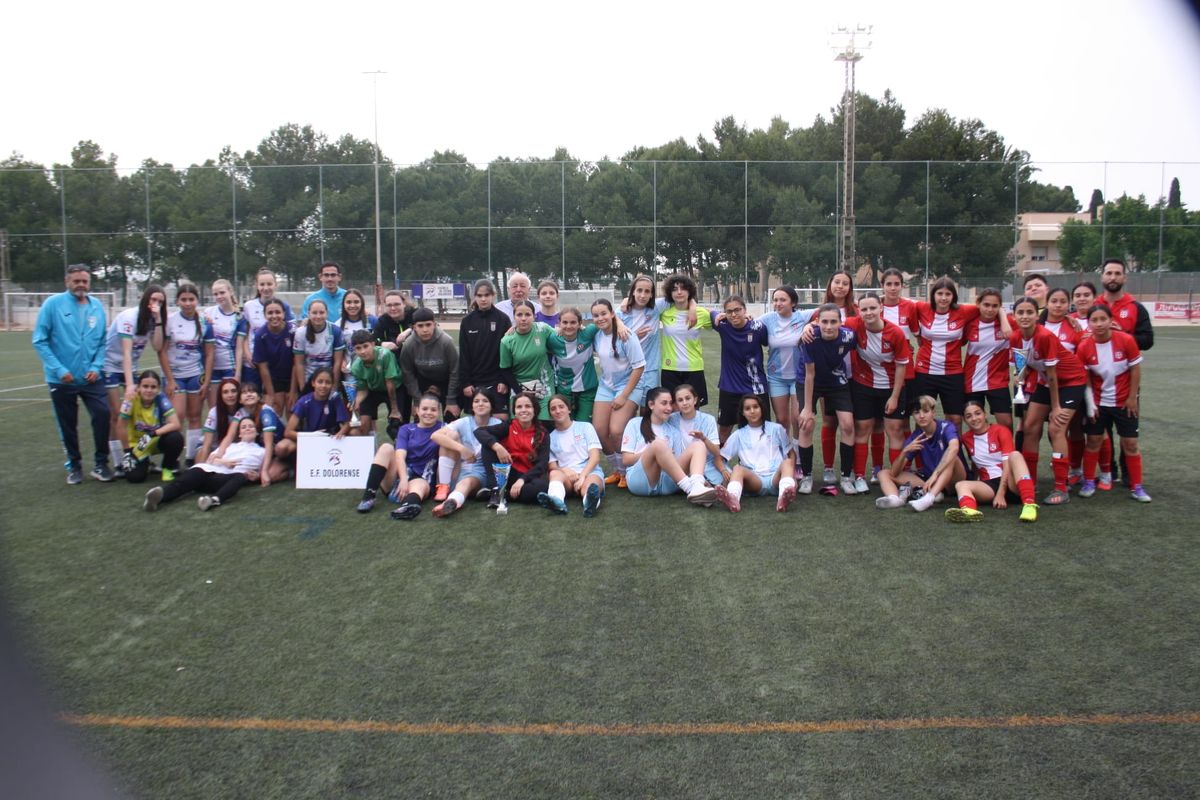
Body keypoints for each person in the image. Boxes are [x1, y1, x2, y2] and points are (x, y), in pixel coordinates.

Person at [32, 264, 113, 484]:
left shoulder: (97, 306)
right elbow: (40, 340)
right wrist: (59, 369)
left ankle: (101, 463)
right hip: (62, 379)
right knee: (68, 424)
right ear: (67, 281)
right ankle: (74, 466)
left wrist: (96, 367)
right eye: (76, 281)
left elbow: (102, 342)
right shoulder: (52, 304)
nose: (81, 285)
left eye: (85, 281)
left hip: (91, 378)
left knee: (103, 414)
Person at [1010, 295, 1090, 505]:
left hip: (1070, 381)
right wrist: (1020, 380)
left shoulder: (1044, 336)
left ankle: (1061, 488)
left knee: (1056, 427)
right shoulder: (1015, 337)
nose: (1025, 316)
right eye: (1020, 312)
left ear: (1037, 315)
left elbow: (1053, 375)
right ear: (1014, 316)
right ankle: (1030, 483)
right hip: (1046, 382)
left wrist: (1055, 407)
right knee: (1030, 427)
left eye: (1029, 312)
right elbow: (1022, 366)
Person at [1076, 304, 1150, 502]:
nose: (1099, 324)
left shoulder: (1126, 340)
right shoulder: (1084, 347)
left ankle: (1137, 487)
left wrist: (1132, 398)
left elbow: (1135, 369)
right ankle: (1089, 482)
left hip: (1124, 402)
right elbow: (1086, 378)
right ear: (1089, 323)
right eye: (1094, 320)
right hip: (1099, 403)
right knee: (1093, 441)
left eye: (1103, 319)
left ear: (1111, 321)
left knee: (1130, 444)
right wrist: (1090, 404)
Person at [843, 293, 911, 493]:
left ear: (881, 307)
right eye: (864, 309)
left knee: (895, 430)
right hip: (863, 386)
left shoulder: (895, 333)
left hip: (891, 388)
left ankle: (896, 476)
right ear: (859, 310)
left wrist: (894, 397)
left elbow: (901, 367)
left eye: (872, 308)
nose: (868, 312)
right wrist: (809, 327)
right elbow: (827, 321)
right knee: (863, 428)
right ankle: (860, 476)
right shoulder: (853, 324)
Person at [101, 284, 167, 472]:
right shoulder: (129, 317)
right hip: (111, 365)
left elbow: (157, 346)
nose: (156, 304)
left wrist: (158, 320)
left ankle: (140, 456)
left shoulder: (153, 320)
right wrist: (130, 385)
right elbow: (126, 352)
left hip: (130, 367)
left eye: (160, 302)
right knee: (117, 414)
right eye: (153, 299)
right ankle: (119, 462)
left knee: (138, 413)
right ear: (145, 299)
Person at [142, 417, 265, 512]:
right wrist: (224, 462)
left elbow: (264, 471)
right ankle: (160, 497)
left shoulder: (262, 451)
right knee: (190, 477)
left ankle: (213, 500)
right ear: (239, 434)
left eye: (251, 426)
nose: (247, 428)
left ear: (257, 432)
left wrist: (257, 476)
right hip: (207, 471)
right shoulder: (230, 446)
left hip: (225, 479)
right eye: (244, 427)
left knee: (240, 476)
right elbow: (211, 460)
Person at [945, 400, 1039, 523]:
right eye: (969, 416)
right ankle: (969, 511)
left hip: (1010, 481)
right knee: (961, 485)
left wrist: (1001, 493)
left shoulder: (1001, 431)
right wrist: (975, 482)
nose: (974, 418)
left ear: (985, 414)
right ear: (964, 420)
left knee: (1015, 455)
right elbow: (976, 464)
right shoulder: (966, 438)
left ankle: (1029, 505)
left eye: (977, 413)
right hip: (989, 485)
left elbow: (1007, 464)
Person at [797, 304, 858, 495]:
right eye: (824, 321)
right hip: (809, 381)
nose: (829, 326)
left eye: (833, 321)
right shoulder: (810, 338)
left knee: (848, 425)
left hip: (836, 380)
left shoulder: (849, 336)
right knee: (806, 425)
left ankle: (846, 477)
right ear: (817, 322)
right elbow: (810, 374)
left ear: (841, 322)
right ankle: (806, 477)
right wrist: (807, 408)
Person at [355, 391, 446, 517]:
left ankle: (408, 506)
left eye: (433, 410)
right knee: (386, 447)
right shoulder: (406, 429)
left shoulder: (444, 428)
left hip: (422, 480)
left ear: (439, 412)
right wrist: (403, 479)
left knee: (420, 484)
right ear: (417, 410)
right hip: (398, 480)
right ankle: (368, 497)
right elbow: (399, 455)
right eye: (425, 409)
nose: (429, 413)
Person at [620, 387, 715, 504]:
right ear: (651, 405)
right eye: (664, 403)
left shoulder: (673, 431)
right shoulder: (635, 423)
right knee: (658, 444)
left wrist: (666, 456)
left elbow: (677, 466)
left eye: (670, 403)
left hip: (666, 483)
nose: (669, 408)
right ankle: (690, 488)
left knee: (699, 444)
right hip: (640, 482)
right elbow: (626, 460)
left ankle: (697, 485)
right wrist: (655, 453)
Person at [909, 276, 980, 428]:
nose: (943, 298)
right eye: (940, 293)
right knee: (922, 417)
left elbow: (989, 307)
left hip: (953, 373)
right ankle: (923, 445)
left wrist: (1003, 319)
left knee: (955, 419)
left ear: (953, 296)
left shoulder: (964, 311)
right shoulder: (923, 308)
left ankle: (954, 445)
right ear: (933, 295)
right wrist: (916, 334)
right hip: (924, 372)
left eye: (948, 294)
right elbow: (901, 303)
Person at [590, 298, 646, 488]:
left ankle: (629, 471)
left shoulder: (626, 335)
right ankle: (619, 471)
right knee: (599, 431)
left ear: (612, 313)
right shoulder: (596, 335)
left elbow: (639, 367)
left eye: (604, 313)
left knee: (616, 431)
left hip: (629, 385)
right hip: (607, 386)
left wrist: (623, 396)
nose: (600, 318)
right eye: (596, 315)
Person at [876, 394, 965, 512]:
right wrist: (904, 452)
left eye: (926, 411)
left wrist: (935, 475)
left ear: (933, 412)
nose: (921, 416)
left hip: (955, 480)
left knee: (952, 457)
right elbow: (894, 473)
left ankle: (929, 498)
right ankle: (894, 499)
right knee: (883, 473)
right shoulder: (916, 436)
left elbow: (954, 448)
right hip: (930, 480)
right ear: (913, 416)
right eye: (917, 412)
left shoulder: (946, 427)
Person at [753, 287, 815, 448]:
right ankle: (785, 451)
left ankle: (798, 454)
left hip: (798, 378)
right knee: (782, 420)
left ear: (793, 303)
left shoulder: (802, 316)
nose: (778, 303)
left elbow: (828, 311)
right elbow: (749, 322)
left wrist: (811, 324)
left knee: (797, 418)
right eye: (775, 300)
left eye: (783, 300)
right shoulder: (768, 318)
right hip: (776, 378)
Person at [714, 394, 797, 513]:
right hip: (754, 480)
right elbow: (718, 458)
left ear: (761, 408)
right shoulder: (738, 435)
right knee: (737, 468)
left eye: (755, 407)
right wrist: (724, 471)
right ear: (743, 413)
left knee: (787, 462)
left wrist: (792, 474)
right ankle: (733, 498)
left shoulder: (776, 429)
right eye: (747, 408)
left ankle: (783, 496)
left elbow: (791, 453)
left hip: (776, 478)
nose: (752, 411)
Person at [429, 390, 503, 517]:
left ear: (491, 405)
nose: (480, 404)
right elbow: (435, 435)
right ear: (472, 406)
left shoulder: (498, 424)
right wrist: (462, 449)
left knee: (466, 483)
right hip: (457, 469)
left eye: (485, 401)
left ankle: (451, 502)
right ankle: (443, 486)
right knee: (450, 435)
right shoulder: (465, 421)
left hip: (479, 472)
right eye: (476, 401)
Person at [475, 391, 553, 509]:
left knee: (541, 488)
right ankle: (495, 489)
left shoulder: (543, 432)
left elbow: (542, 464)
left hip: (527, 476)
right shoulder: (509, 426)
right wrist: (497, 447)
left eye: (528, 406)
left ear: (535, 409)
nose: (523, 410)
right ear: (514, 411)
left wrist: (522, 479)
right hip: (505, 471)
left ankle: (503, 495)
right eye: (519, 407)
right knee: (488, 444)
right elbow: (479, 431)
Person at [1042, 287, 1087, 484]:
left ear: (1069, 304)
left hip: (1071, 384)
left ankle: (1074, 470)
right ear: (1047, 303)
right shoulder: (1037, 323)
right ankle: (1062, 466)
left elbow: (1082, 355)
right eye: (1054, 301)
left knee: (1072, 426)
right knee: (1033, 427)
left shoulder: (1074, 328)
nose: (1058, 305)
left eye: (1063, 301)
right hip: (1042, 385)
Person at [538, 394, 607, 516]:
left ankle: (589, 504)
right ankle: (556, 501)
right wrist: (564, 470)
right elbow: (552, 466)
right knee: (554, 474)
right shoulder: (550, 437)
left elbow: (595, 457)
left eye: (561, 407)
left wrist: (583, 476)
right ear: (550, 414)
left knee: (590, 486)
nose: (558, 411)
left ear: (569, 409)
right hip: (568, 478)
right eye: (553, 409)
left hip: (590, 472)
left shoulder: (585, 427)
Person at [712, 295, 769, 444]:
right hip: (729, 388)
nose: (733, 314)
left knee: (759, 430)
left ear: (745, 310)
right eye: (729, 311)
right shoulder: (722, 325)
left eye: (737, 310)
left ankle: (757, 459)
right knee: (724, 430)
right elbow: (708, 312)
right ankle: (720, 458)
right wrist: (718, 314)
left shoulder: (757, 328)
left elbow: (768, 342)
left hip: (755, 388)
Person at [879, 268, 919, 478]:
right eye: (889, 284)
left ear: (902, 286)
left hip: (906, 372)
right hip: (881, 373)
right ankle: (880, 467)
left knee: (906, 421)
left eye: (897, 284)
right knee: (881, 422)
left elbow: (918, 336)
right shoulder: (875, 307)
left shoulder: (910, 307)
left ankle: (912, 465)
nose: (893, 288)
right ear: (882, 286)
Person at [499, 300, 565, 421]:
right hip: (519, 387)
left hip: (544, 385)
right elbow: (505, 369)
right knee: (521, 424)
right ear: (514, 317)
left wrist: (579, 328)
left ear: (534, 316)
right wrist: (520, 392)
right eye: (519, 315)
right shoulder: (507, 341)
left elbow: (561, 334)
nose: (523, 318)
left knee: (544, 424)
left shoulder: (542, 329)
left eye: (528, 314)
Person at [163, 282, 207, 461]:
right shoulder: (170, 321)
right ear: (177, 301)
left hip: (195, 374)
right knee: (177, 418)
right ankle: (172, 459)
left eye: (191, 299)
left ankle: (191, 458)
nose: (188, 303)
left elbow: (209, 352)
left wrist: (207, 379)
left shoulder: (203, 321)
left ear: (197, 300)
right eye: (184, 299)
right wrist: (170, 379)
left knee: (195, 416)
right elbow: (162, 352)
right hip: (176, 376)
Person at [274, 369, 351, 471]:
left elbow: (347, 424)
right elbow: (288, 432)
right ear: (313, 383)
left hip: (330, 439)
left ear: (332, 385)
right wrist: (311, 436)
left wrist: (340, 433)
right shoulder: (304, 401)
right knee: (281, 448)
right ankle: (293, 466)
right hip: (308, 440)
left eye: (328, 382)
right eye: (320, 382)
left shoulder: (335, 398)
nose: (323, 385)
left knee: (355, 432)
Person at [117, 370, 184, 483]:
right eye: (145, 386)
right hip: (138, 445)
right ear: (138, 387)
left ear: (158, 389)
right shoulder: (131, 399)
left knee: (176, 438)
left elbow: (175, 423)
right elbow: (120, 426)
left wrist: (153, 433)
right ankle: (146, 462)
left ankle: (167, 468)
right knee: (134, 478)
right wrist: (127, 452)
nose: (149, 390)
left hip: (155, 440)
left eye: (153, 387)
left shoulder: (161, 398)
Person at [962, 287, 1014, 431]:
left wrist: (1003, 316)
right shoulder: (970, 324)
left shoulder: (1008, 323)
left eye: (995, 306)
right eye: (986, 305)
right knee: (975, 424)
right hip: (972, 381)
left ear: (1000, 307)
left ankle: (1005, 447)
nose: (990, 309)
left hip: (998, 381)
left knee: (1006, 424)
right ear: (978, 304)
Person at [458, 279, 511, 416]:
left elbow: (508, 354)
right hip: (474, 382)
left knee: (501, 419)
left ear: (493, 295)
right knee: (478, 420)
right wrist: (465, 383)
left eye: (487, 295)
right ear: (474, 297)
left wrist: (504, 380)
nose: (483, 299)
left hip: (497, 381)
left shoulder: (503, 319)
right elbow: (464, 355)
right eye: (479, 295)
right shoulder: (467, 321)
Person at [213, 382, 283, 486]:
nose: (249, 394)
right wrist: (219, 455)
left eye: (252, 391)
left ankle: (290, 468)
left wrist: (264, 471)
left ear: (259, 397)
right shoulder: (241, 412)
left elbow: (268, 444)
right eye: (244, 392)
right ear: (240, 400)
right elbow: (229, 436)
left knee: (269, 475)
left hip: (277, 448)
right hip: (264, 449)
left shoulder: (266, 412)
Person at [658, 273, 712, 404]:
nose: (679, 292)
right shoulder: (664, 313)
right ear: (670, 293)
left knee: (693, 409)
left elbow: (719, 322)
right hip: (670, 369)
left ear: (689, 291)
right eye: (674, 289)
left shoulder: (701, 313)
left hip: (694, 369)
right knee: (672, 410)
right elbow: (641, 307)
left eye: (683, 288)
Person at [399, 307, 461, 420]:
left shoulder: (446, 342)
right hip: (423, 380)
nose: (425, 330)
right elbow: (407, 373)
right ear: (414, 327)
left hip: (446, 380)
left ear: (435, 324)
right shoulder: (408, 345)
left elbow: (455, 371)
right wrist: (417, 400)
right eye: (420, 326)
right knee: (420, 417)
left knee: (451, 416)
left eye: (428, 325)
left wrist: (451, 400)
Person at [239, 268, 294, 388]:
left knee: (272, 395)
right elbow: (245, 333)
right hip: (253, 361)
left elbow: (293, 330)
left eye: (269, 284)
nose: (266, 288)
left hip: (275, 361)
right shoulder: (248, 306)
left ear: (275, 285)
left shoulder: (284, 306)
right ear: (257, 286)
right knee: (252, 394)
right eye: (262, 284)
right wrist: (247, 354)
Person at [670, 383, 728, 490]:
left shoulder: (708, 419)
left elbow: (716, 452)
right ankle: (701, 485)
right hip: (682, 466)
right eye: (680, 400)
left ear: (695, 400)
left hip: (707, 464)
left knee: (729, 480)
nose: (685, 403)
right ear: (676, 404)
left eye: (688, 398)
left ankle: (705, 485)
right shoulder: (671, 419)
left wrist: (703, 438)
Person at [347, 329, 403, 437]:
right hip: (372, 390)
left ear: (373, 344)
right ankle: (368, 445)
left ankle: (399, 445)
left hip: (394, 389)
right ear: (354, 349)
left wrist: (394, 409)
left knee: (396, 425)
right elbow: (363, 389)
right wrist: (356, 402)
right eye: (358, 348)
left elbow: (390, 382)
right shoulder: (356, 366)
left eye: (365, 346)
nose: (362, 351)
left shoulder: (385, 355)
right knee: (364, 423)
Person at [552, 307, 599, 424]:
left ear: (580, 323)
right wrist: (513, 328)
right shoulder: (552, 339)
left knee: (583, 424)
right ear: (559, 323)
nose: (568, 326)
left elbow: (608, 319)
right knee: (566, 423)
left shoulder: (587, 333)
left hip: (587, 388)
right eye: (565, 322)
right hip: (565, 389)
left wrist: (621, 326)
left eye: (573, 322)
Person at [291, 299, 345, 400]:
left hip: (327, 380)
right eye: (314, 313)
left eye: (321, 312)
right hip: (308, 380)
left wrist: (334, 387)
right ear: (309, 314)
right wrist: (302, 389)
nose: (318, 316)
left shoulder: (335, 331)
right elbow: (299, 363)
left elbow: (338, 362)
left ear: (327, 313)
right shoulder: (300, 333)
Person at [201, 279, 242, 409]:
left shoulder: (239, 316)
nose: (219, 296)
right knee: (214, 408)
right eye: (216, 294)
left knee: (231, 407)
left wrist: (237, 374)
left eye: (222, 292)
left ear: (230, 292)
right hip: (212, 368)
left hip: (229, 367)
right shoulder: (208, 312)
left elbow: (239, 348)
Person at [251, 298, 297, 414]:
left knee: (292, 410)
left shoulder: (293, 331)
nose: (274, 316)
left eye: (278, 312)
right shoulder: (260, 335)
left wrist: (292, 391)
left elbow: (297, 363)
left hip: (292, 378)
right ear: (264, 315)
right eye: (270, 313)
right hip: (273, 379)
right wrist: (271, 394)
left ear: (284, 313)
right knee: (273, 411)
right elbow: (263, 367)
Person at [337, 288, 378, 409]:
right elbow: (338, 350)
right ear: (344, 304)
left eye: (356, 302)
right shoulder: (338, 325)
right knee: (353, 406)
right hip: (350, 373)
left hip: (370, 371)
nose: (352, 305)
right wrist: (342, 361)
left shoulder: (372, 320)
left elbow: (378, 344)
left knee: (368, 409)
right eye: (348, 302)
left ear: (362, 303)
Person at [196, 377, 241, 464]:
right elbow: (207, 444)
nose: (230, 395)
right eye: (225, 392)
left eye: (233, 391)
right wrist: (200, 467)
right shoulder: (214, 412)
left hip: (233, 446)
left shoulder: (244, 411)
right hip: (212, 446)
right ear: (220, 395)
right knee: (203, 458)